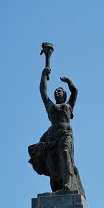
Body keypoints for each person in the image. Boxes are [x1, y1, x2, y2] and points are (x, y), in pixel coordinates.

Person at [28, 67, 85, 196]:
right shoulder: (50, 106)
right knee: (53, 165)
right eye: (55, 91)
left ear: (64, 95)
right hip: (52, 137)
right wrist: (43, 75)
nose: (57, 93)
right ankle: (58, 187)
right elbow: (43, 91)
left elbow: (75, 91)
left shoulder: (69, 105)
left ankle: (68, 185)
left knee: (65, 154)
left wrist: (68, 82)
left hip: (65, 134)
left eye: (59, 91)